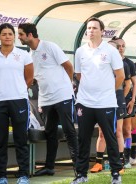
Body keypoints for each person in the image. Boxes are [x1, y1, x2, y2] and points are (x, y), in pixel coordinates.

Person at [18, 23, 79, 177]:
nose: (19, 37)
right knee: (50, 133)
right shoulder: (30, 55)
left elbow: (68, 66)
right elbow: (35, 78)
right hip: (46, 100)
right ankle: (49, 167)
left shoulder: (50, 46)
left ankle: (79, 167)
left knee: (68, 130)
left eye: (21, 34)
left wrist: (69, 85)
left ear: (30, 35)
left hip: (63, 96)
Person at [73, 17, 124, 184]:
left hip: (106, 103)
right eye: (89, 28)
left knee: (110, 137)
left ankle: (116, 174)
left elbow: (120, 76)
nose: (91, 31)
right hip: (84, 102)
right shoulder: (80, 51)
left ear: (102, 31)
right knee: (83, 139)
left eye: (95, 28)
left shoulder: (111, 51)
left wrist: (108, 91)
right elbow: (79, 75)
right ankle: (81, 175)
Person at [0, 23, 33, 184]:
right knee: (0, 141)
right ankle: (1, 176)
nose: (7, 36)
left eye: (10, 34)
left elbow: (29, 78)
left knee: (21, 139)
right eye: (4, 34)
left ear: (14, 37)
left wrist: (18, 90)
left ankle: (23, 175)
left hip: (19, 101)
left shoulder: (23, 54)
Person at [90, 40, 131, 173]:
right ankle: (98, 163)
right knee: (102, 133)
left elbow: (128, 84)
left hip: (117, 99)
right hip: (102, 100)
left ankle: (120, 163)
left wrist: (120, 98)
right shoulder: (98, 63)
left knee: (118, 131)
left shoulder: (122, 64)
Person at [112, 37, 136, 168]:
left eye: (123, 45)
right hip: (113, 99)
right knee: (117, 131)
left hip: (125, 101)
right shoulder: (109, 61)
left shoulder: (128, 63)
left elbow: (133, 84)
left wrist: (132, 99)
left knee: (127, 130)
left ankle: (127, 156)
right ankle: (118, 157)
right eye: (118, 46)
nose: (121, 48)